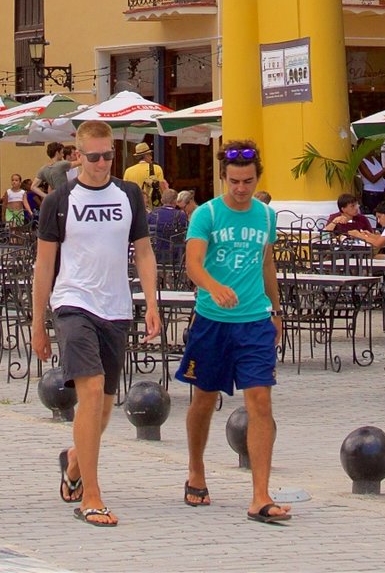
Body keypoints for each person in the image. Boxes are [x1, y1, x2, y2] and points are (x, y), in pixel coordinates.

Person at [33, 120, 158, 528]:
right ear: (77, 155)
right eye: (94, 157)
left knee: (103, 409)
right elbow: (45, 264)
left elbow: (143, 251)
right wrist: (38, 322)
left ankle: (73, 463)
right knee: (88, 394)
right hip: (73, 303)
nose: (102, 163)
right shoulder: (59, 200)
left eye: (108, 156)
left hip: (117, 308)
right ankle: (92, 495)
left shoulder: (129, 194)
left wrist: (151, 303)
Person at [177, 139, 288, 526]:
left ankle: (260, 495)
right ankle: (195, 469)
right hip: (212, 321)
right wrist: (212, 286)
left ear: (258, 178)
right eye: (235, 182)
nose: (242, 189)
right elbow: (192, 263)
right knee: (203, 401)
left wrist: (276, 310)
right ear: (223, 177)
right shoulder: (206, 215)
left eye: (249, 181)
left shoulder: (265, 216)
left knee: (260, 401)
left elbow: (267, 263)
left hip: (254, 321)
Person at [357, 141, 385, 215]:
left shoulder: (375, 159)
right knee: (374, 217)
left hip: (380, 192)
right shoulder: (361, 162)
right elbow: (372, 179)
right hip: (370, 194)